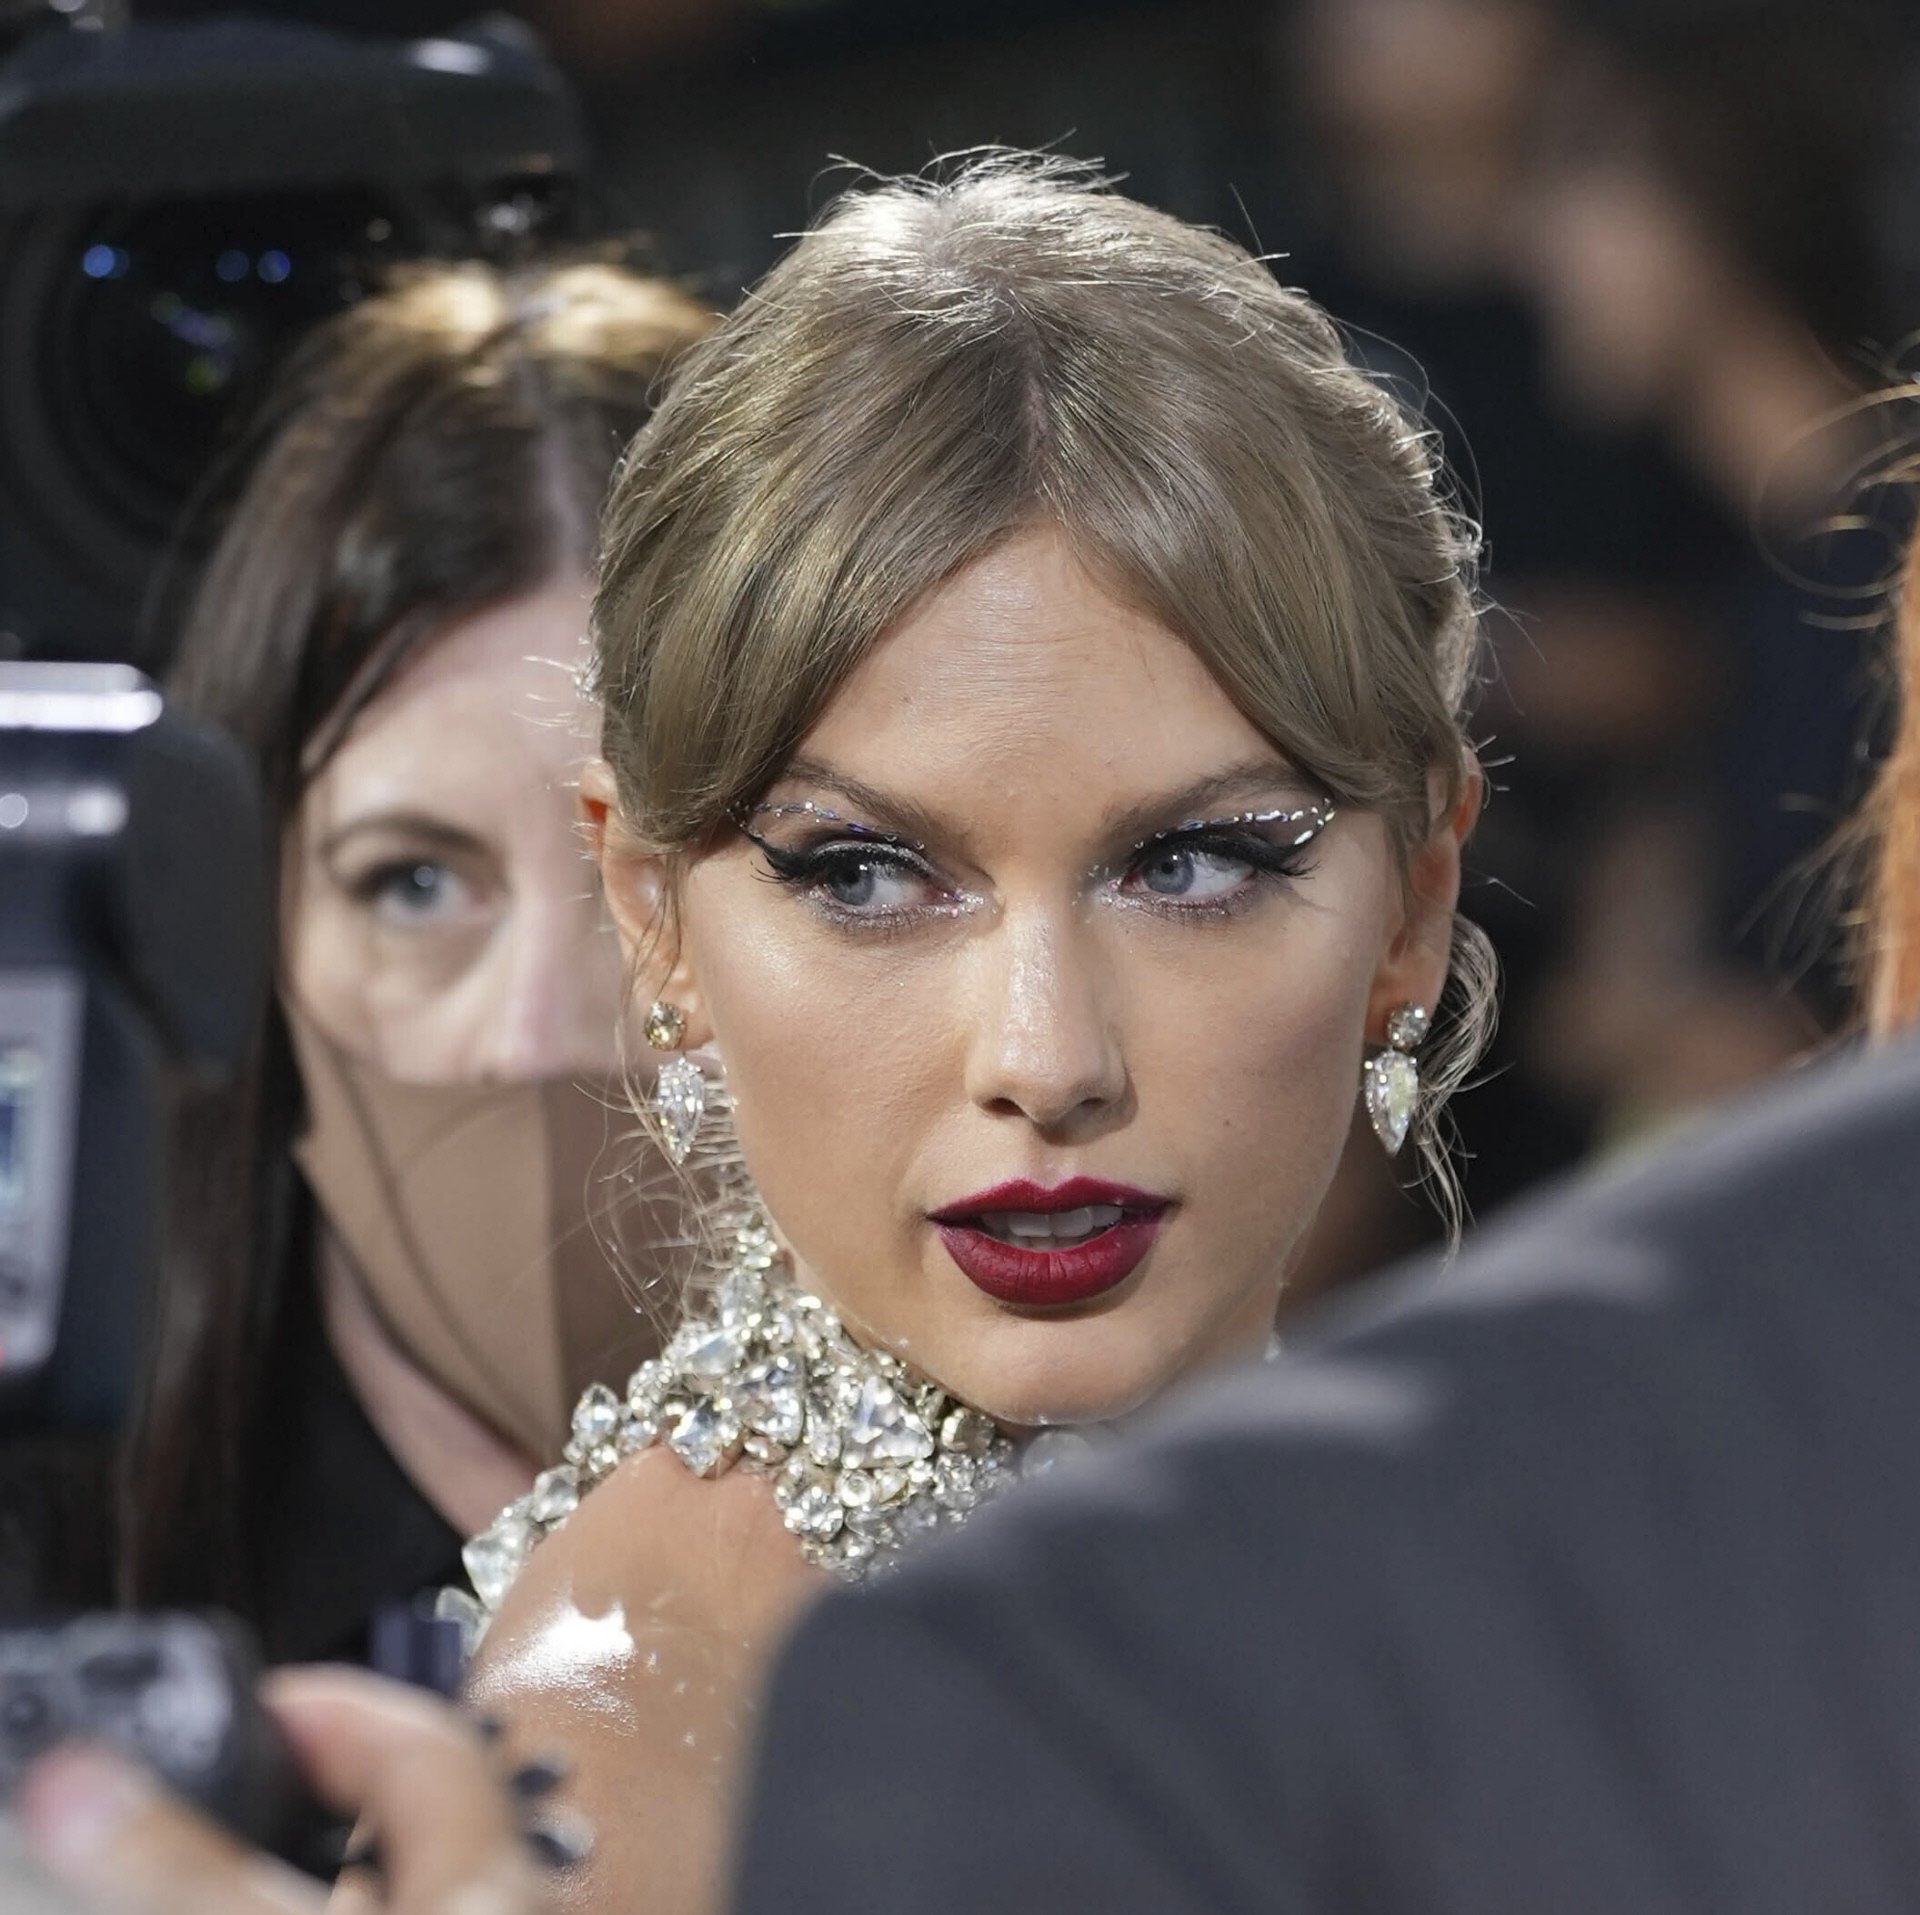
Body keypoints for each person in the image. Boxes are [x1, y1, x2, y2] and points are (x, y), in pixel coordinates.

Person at [440, 153, 1492, 1914]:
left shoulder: (1488, 1585)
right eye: (864, 875)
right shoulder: (619, 1784)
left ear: (1415, 902)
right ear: (650, 912)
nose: (1046, 1053)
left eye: (1196, 861)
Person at [61, 258, 713, 1660]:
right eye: (414, 883)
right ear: (241, 929)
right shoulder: (58, 1607)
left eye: (649, 877)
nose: (540, 1031)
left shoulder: (1081, 1600)